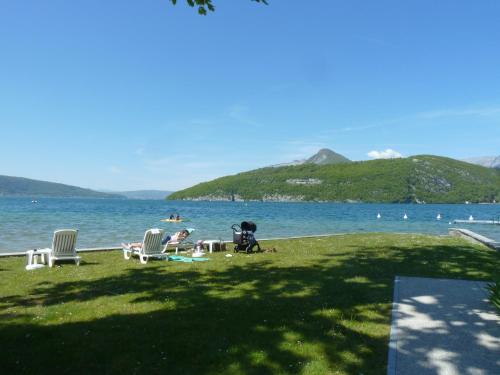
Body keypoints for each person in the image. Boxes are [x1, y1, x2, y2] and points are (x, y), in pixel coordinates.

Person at [122, 229, 192, 249]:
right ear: (183, 233)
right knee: (143, 244)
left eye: (186, 235)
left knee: (143, 245)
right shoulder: (180, 236)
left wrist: (180, 236)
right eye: (185, 234)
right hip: (165, 241)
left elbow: (176, 240)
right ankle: (130, 245)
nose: (185, 236)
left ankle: (130, 245)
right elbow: (177, 239)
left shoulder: (180, 237)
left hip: (164, 241)